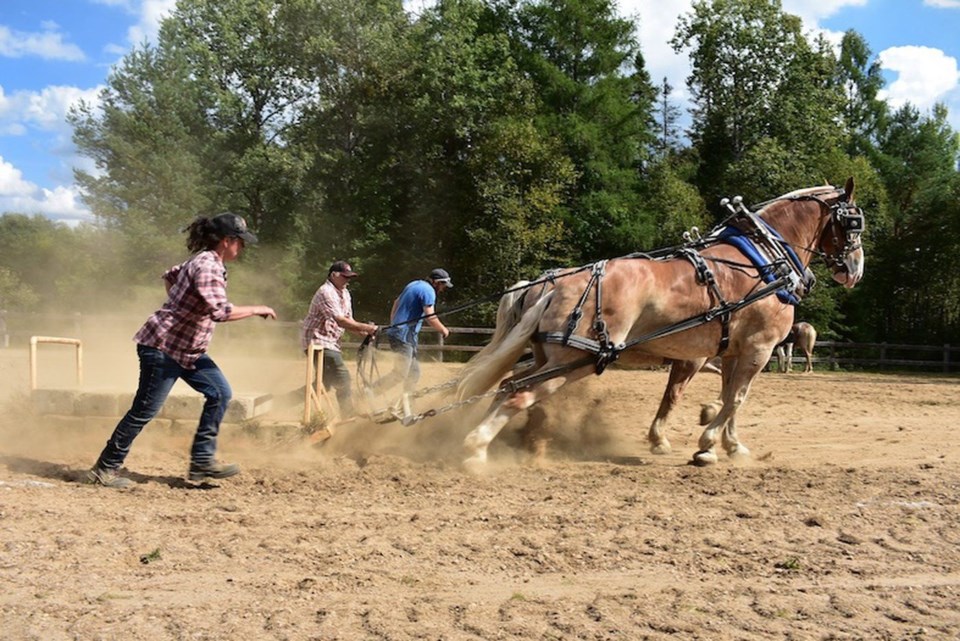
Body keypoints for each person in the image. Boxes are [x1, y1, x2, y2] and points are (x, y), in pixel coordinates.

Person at [85, 213, 277, 489]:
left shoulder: (204, 262)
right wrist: (258, 309)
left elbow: (170, 276)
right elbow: (221, 312)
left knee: (220, 392)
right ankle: (104, 469)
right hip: (164, 348)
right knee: (144, 410)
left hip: (187, 350)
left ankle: (201, 461)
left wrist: (182, 305)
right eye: (241, 242)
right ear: (227, 241)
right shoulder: (208, 266)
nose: (243, 248)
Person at [298, 261, 378, 417]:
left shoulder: (345, 294)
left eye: (349, 277)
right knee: (343, 377)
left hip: (331, 343)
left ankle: (282, 401)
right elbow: (340, 320)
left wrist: (363, 333)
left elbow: (349, 321)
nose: (347, 280)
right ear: (333, 275)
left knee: (323, 385)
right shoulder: (325, 292)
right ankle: (348, 415)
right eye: (345, 277)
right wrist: (369, 328)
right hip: (317, 341)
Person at [375, 268, 453, 414]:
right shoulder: (429, 291)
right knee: (401, 373)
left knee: (414, 372)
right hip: (404, 337)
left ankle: (406, 404)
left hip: (400, 334)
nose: (443, 289)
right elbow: (430, 316)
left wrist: (394, 323)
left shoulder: (415, 284)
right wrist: (443, 330)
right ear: (435, 282)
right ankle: (371, 392)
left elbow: (396, 302)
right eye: (442, 285)